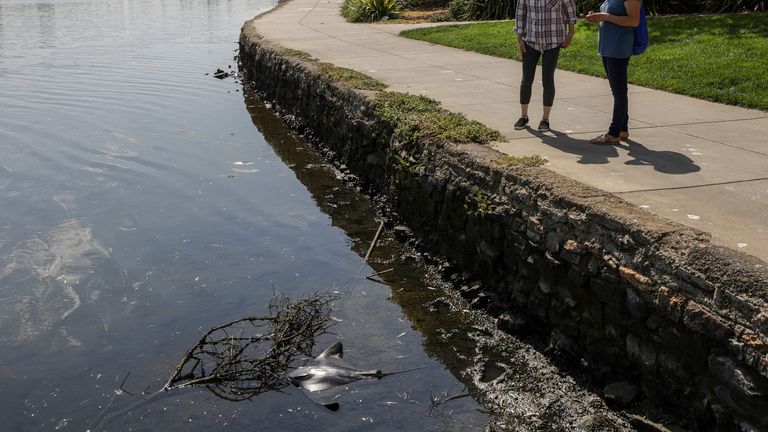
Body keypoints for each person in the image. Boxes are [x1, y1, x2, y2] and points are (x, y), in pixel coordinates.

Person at [514, 0, 578, 132]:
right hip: (531, 40)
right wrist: (519, 38)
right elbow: (520, 14)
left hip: (553, 40)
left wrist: (570, 33)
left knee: (548, 79)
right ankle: (524, 116)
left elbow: (570, 11)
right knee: (526, 79)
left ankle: (545, 119)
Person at [586, 0, 642, 144]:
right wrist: (597, 17)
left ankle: (613, 133)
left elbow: (634, 21)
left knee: (619, 92)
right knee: (618, 91)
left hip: (618, 48)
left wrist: (605, 17)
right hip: (607, 48)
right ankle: (623, 129)